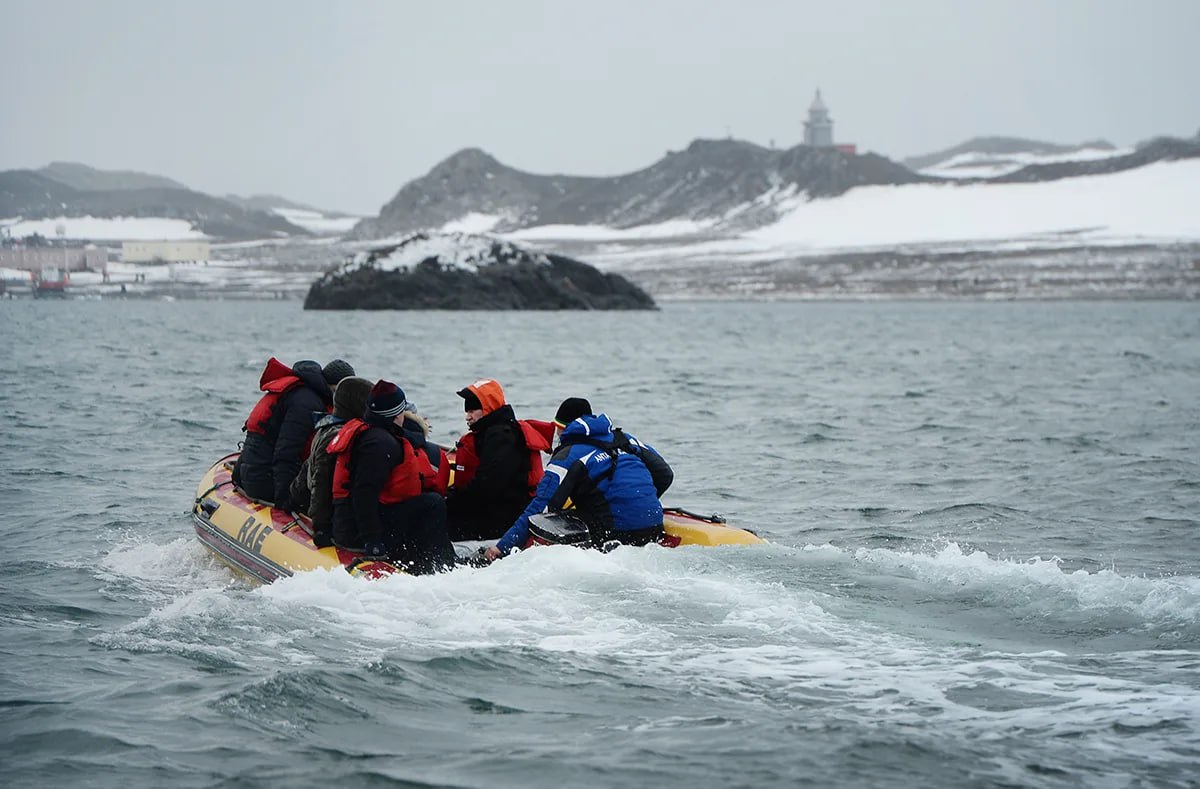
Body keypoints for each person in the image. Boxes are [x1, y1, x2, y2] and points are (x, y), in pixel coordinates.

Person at [486, 398, 674, 561]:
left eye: (558, 429)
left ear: (563, 428)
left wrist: (502, 547)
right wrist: (636, 501)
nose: (557, 435)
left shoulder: (568, 455)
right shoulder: (626, 439)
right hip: (653, 529)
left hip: (615, 535)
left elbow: (541, 507)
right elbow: (665, 475)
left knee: (556, 517)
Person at [327, 380, 455, 574]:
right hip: (360, 528)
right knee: (433, 504)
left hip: (370, 516)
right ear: (396, 415)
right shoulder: (379, 445)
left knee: (423, 504)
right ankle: (443, 565)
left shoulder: (376, 433)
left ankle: (427, 559)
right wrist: (372, 541)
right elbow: (364, 493)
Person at [232, 358, 354, 509]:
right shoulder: (306, 403)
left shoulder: (302, 393)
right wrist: (285, 501)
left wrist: (237, 476)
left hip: (251, 474)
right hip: (264, 481)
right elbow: (286, 453)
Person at [445, 378, 554, 540]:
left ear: (487, 408)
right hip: (496, 508)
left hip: (506, 516)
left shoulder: (502, 437)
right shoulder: (492, 432)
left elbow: (488, 484)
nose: (467, 417)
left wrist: (452, 502)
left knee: (441, 518)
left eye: (472, 411)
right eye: (467, 412)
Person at [287, 375, 372, 548]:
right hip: (331, 516)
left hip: (314, 503)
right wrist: (320, 528)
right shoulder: (338, 436)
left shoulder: (325, 428)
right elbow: (322, 483)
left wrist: (292, 498)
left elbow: (308, 469)